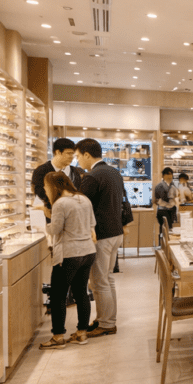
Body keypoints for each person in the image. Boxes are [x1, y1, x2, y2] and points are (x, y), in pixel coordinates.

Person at [39, 171, 96, 350]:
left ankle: (58, 337)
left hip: (69, 254)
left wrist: (43, 225)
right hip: (87, 251)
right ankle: (82, 333)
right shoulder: (83, 199)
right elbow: (92, 224)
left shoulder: (60, 203)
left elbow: (55, 229)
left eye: (46, 187)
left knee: (58, 296)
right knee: (81, 292)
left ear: (54, 187)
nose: (45, 191)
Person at [76, 138, 126, 337]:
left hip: (101, 235)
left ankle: (106, 323)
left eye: (79, 156)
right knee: (108, 279)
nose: (78, 161)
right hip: (116, 232)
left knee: (99, 281)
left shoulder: (92, 176)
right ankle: (106, 318)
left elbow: (80, 205)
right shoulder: (114, 173)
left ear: (87, 155)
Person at [31, 138, 82, 219]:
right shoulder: (41, 171)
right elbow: (39, 192)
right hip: (47, 217)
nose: (72, 157)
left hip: (71, 218)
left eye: (73, 154)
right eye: (68, 153)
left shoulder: (75, 172)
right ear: (58, 152)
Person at [153, 167, 179, 243]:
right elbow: (159, 200)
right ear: (163, 176)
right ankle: (162, 245)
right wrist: (169, 202)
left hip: (171, 211)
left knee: (170, 229)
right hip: (162, 211)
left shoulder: (173, 185)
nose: (170, 177)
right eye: (168, 175)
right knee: (164, 229)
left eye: (171, 175)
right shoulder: (159, 186)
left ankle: (167, 245)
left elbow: (176, 196)